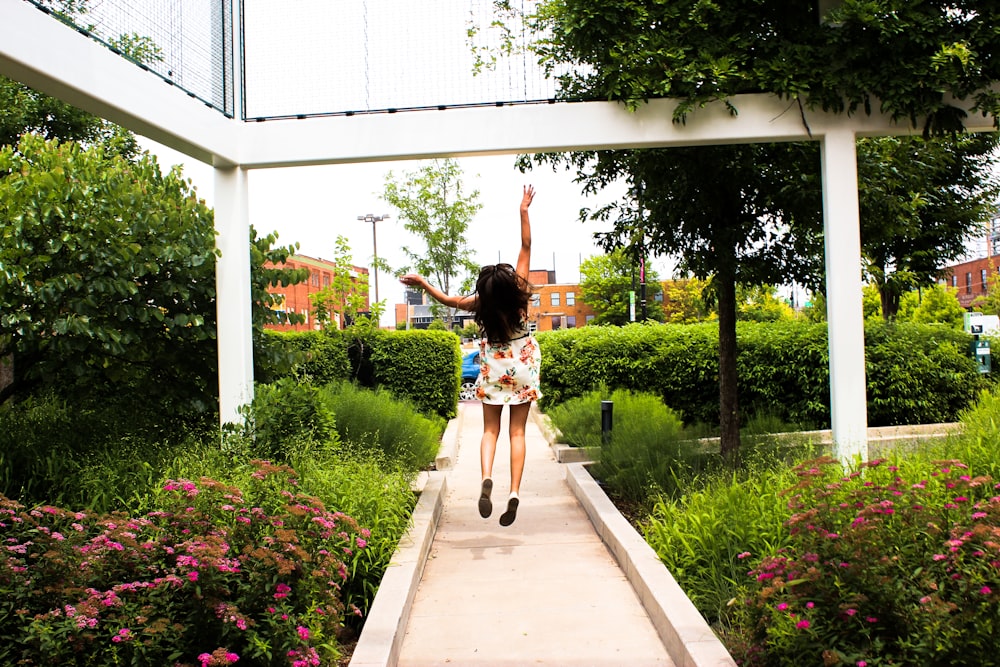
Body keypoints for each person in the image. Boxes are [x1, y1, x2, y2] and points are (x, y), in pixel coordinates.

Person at [400, 185, 540, 527]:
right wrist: (523, 210)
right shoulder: (519, 290)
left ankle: (486, 477)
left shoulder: (481, 304)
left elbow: (448, 300)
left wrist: (421, 283)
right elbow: (526, 245)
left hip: (494, 365)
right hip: (522, 362)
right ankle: (515, 492)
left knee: (490, 431)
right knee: (517, 433)